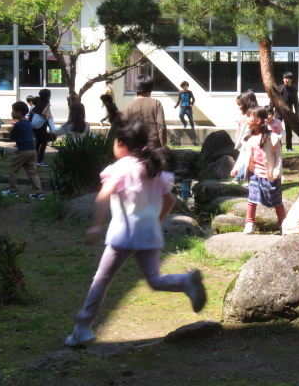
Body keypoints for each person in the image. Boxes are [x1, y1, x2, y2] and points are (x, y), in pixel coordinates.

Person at [64, 117, 206, 348]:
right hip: (149, 235)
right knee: (154, 280)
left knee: (101, 280)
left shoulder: (121, 168)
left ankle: (82, 328)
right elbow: (170, 201)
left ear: (121, 144)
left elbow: (103, 196)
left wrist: (96, 225)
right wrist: (156, 222)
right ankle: (185, 282)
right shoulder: (153, 167)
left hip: (124, 236)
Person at [230, 106, 285, 234]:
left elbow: (279, 156)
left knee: (277, 201)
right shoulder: (248, 138)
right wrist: (236, 168)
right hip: (254, 174)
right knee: (252, 199)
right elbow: (243, 155)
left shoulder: (272, 137)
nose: (246, 119)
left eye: (249, 116)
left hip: (269, 175)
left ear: (258, 121)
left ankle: (283, 224)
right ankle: (249, 224)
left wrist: (277, 170)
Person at [1, 102, 44, 200]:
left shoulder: (19, 124)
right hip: (32, 150)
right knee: (32, 171)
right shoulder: (28, 123)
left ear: (19, 113)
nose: (11, 112)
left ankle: (12, 191)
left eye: (13, 110)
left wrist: (13, 127)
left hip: (23, 150)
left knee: (13, 170)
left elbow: (12, 137)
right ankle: (39, 192)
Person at [122, 74, 167, 149]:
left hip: (136, 147)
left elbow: (125, 128)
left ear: (135, 88)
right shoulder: (156, 103)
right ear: (151, 88)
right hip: (154, 146)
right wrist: (163, 146)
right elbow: (161, 126)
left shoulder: (129, 106)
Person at [233, 91, 258, 182]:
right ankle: (240, 176)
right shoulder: (243, 114)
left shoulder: (253, 114)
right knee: (243, 157)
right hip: (244, 141)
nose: (239, 107)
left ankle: (241, 176)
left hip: (251, 142)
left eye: (240, 104)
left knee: (248, 159)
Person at [31, 89, 56, 167]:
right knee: (44, 142)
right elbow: (43, 113)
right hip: (40, 124)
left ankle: (34, 158)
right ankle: (40, 160)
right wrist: (45, 117)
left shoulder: (39, 102)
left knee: (38, 141)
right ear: (48, 96)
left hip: (34, 123)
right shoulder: (47, 103)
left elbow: (32, 111)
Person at [275, 71, 299, 152]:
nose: (286, 80)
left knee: (289, 130)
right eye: (285, 78)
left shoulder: (293, 90)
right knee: (277, 129)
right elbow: (273, 101)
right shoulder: (279, 88)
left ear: (291, 79)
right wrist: (269, 110)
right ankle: (278, 147)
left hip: (289, 112)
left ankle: (289, 147)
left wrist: (297, 114)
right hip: (278, 112)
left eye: (288, 78)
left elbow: (296, 102)